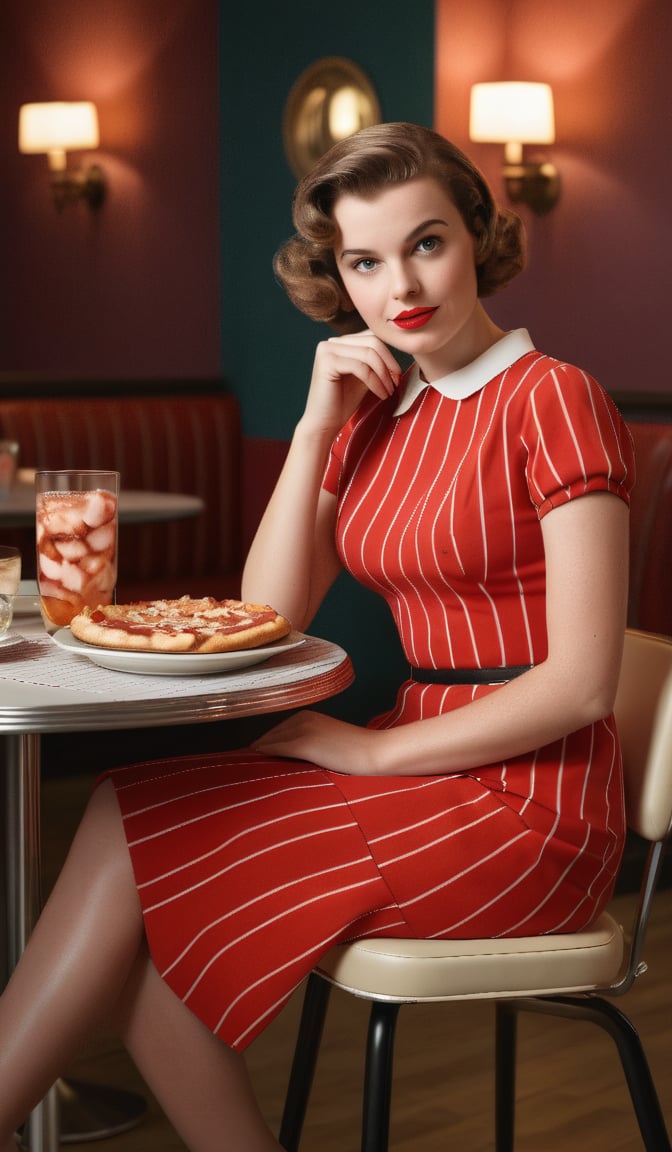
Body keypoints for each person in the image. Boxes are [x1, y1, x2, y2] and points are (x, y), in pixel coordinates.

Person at [0, 122, 634, 1152]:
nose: (402, 286)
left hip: (533, 802)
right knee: (140, 881)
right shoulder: (381, 411)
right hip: (423, 762)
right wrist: (313, 427)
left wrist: (373, 749)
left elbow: (585, 686)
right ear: (339, 276)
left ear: (477, 234)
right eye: (365, 262)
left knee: (132, 849)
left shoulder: (553, 399)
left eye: (426, 243)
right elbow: (273, 609)